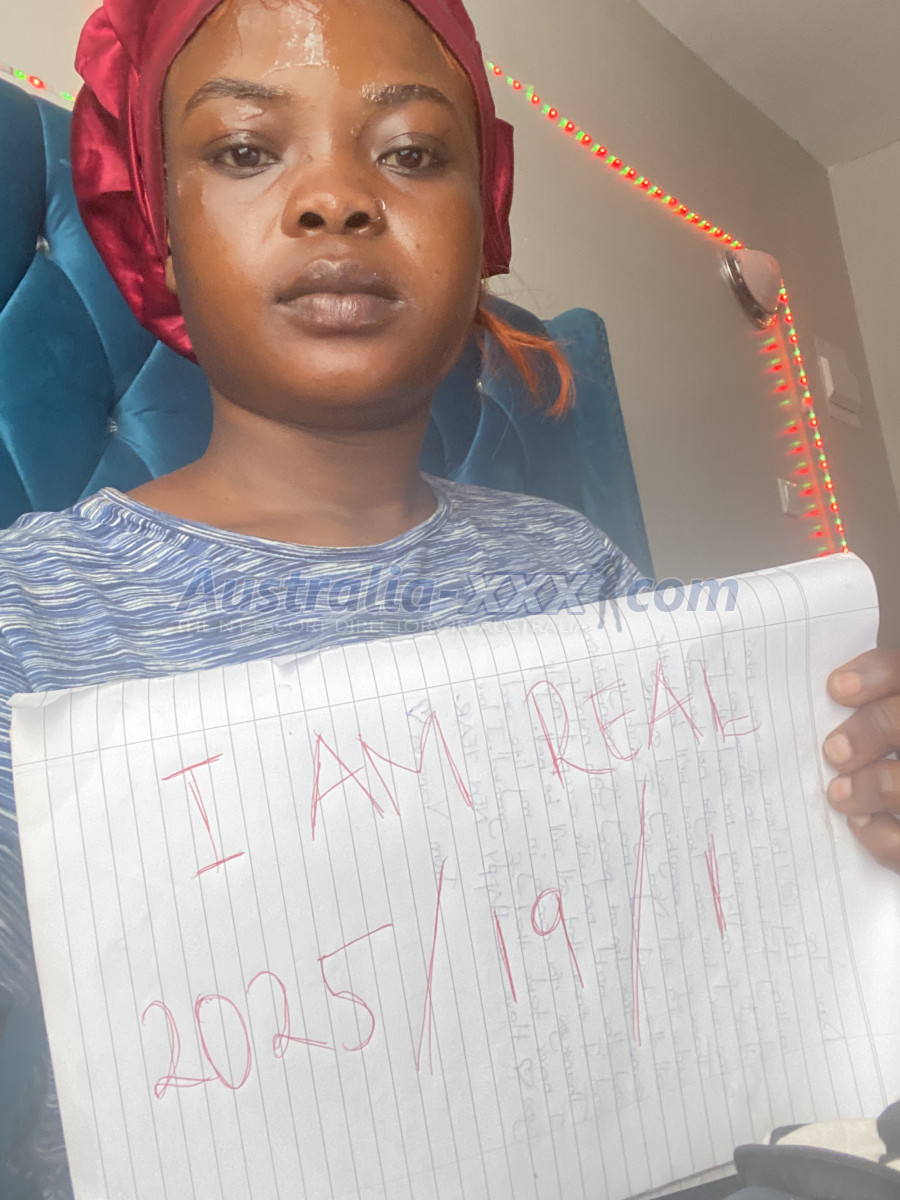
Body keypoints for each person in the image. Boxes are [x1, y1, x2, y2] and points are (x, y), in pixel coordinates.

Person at [0, 0, 896, 1196]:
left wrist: (855, 805)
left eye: (413, 152)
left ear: (485, 225)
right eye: (246, 149)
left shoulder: (572, 567)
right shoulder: (27, 616)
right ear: (156, 237)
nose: (335, 199)